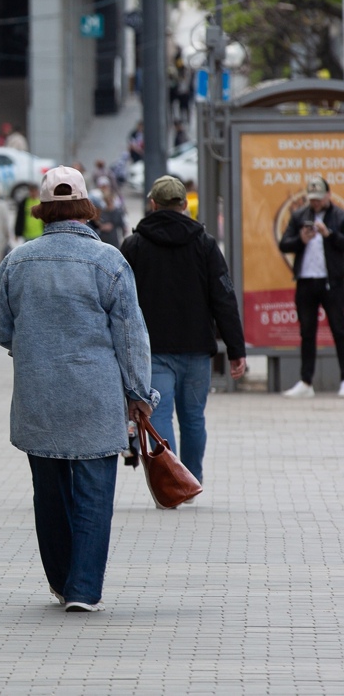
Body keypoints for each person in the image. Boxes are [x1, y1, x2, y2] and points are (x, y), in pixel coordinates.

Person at [0, 166, 157, 613]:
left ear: (43, 211)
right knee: (94, 494)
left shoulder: (17, 261)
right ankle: (83, 589)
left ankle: (62, 581)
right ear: (85, 208)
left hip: (37, 395)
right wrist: (140, 393)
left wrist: (27, 348)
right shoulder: (109, 262)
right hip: (96, 395)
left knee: (49, 493)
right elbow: (131, 335)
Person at [121, 175, 246, 489]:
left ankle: (170, 482)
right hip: (196, 350)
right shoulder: (204, 244)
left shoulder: (134, 245)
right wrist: (236, 349)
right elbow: (223, 296)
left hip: (154, 351)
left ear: (152, 204)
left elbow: (120, 302)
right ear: (183, 205)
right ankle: (192, 479)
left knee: (160, 417)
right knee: (193, 418)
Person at [277, 176, 344, 398]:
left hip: (332, 281)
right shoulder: (299, 216)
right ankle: (306, 382)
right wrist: (301, 240)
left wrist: (330, 235)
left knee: (339, 329)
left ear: (328, 195)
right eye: (312, 199)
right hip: (306, 280)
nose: (315, 203)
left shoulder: (339, 216)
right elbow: (284, 243)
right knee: (307, 331)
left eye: (319, 199)